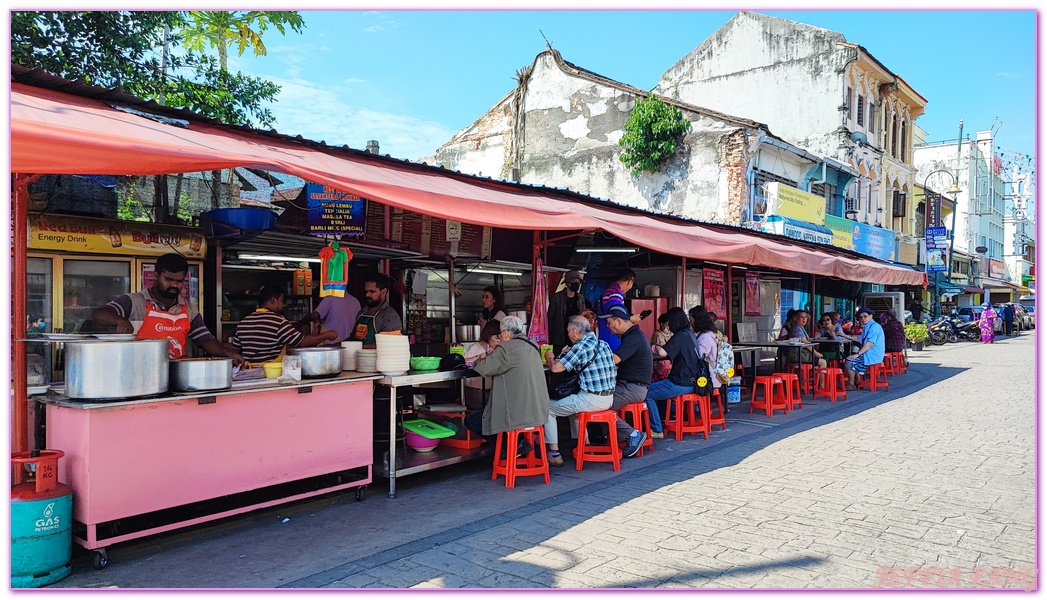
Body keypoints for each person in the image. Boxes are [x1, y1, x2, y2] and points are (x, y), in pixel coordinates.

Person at [92, 253, 242, 364]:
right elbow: (99, 314)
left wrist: (227, 353)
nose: (174, 285)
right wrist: (120, 320)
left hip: (175, 375)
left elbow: (206, 340)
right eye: (169, 279)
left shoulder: (188, 309)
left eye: (179, 281)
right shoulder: (133, 301)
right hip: (136, 373)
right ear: (156, 276)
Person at [466, 316, 550, 459]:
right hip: (538, 410)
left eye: (500, 335)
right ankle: (530, 450)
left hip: (517, 414)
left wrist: (481, 358)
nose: (499, 338)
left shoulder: (505, 348)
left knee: (471, 420)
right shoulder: (533, 345)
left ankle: (516, 446)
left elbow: (485, 368)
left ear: (505, 333)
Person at [543, 315, 617, 467]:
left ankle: (554, 453)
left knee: (548, 408)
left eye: (569, 332)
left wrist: (549, 357)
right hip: (609, 399)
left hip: (591, 399)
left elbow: (556, 368)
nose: (569, 335)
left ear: (575, 331)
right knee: (573, 407)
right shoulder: (603, 344)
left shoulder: (580, 347)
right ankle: (586, 447)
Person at [232, 285, 338, 363]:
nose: (284, 305)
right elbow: (301, 342)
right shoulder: (278, 321)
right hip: (272, 373)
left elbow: (235, 350)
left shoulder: (243, 322)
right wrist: (326, 335)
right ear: (273, 300)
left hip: (248, 373)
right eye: (282, 301)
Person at [644, 307, 701, 438]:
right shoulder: (689, 334)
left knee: (646, 392)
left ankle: (656, 429)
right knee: (657, 386)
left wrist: (656, 347)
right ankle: (667, 419)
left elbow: (664, 352)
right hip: (693, 381)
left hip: (681, 382)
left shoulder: (680, 336)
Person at [604, 305, 651, 458]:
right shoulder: (632, 335)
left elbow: (614, 359)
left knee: (600, 406)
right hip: (628, 385)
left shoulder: (634, 337)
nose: (607, 326)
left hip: (633, 388)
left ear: (618, 322)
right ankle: (615, 437)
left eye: (609, 322)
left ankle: (633, 434)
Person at [295, 288, 362, 345]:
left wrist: (298, 324)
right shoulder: (356, 301)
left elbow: (314, 316)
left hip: (331, 344)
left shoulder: (329, 299)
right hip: (350, 344)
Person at [350, 273, 403, 345]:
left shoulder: (389, 315)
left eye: (372, 291)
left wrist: (358, 348)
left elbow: (388, 344)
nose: (367, 295)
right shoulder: (362, 312)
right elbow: (353, 339)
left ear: (383, 292)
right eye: (366, 291)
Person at [597, 269, 641, 353]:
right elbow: (616, 317)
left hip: (603, 335)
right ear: (630, 281)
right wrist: (631, 319)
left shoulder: (607, 292)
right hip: (612, 338)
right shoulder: (616, 293)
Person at [462, 319, 502, 410]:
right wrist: (479, 358)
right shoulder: (475, 347)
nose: (498, 341)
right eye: (496, 338)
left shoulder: (498, 350)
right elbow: (464, 362)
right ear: (488, 335)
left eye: (500, 338)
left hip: (490, 390)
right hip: (475, 391)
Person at [548, 270, 591, 351]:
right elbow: (550, 318)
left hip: (576, 335)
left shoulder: (580, 298)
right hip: (560, 337)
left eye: (578, 282)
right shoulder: (557, 298)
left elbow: (583, 316)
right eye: (574, 281)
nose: (577, 284)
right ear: (567, 283)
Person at [844, 307, 885, 389]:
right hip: (868, 353)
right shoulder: (868, 327)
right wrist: (844, 335)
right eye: (861, 317)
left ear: (871, 316)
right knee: (851, 358)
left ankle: (851, 383)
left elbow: (869, 343)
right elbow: (859, 338)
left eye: (865, 316)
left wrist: (858, 354)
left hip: (873, 355)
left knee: (850, 360)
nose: (863, 319)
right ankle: (856, 381)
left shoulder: (874, 327)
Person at [693, 311, 722, 400]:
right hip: (714, 376)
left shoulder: (705, 337)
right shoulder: (713, 335)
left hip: (707, 378)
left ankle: (697, 410)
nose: (691, 323)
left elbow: (699, 356)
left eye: (691, 320)